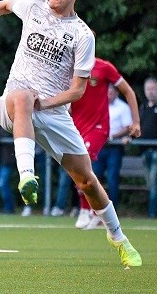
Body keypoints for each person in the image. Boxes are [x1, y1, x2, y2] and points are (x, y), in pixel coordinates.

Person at [0, 0, 142, 266]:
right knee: (21, 96)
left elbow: (77, 90)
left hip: (54, 113)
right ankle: (27, 177)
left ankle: (119, 238)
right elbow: (7, 5)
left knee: (87, 181)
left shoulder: (82, 35)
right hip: (15, 104)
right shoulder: (33, 7)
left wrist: (43, 103)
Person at [52, 59, 141, 228]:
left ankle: (85, 209)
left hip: (98, 127)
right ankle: (95, 212)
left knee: (81, 165)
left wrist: (136, 122)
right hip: (76, 128)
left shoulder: (104, 67)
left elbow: (128, 91)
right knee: (79, 170)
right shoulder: (68, 68)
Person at [92, 83, 138, 209]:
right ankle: (95, 207)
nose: (109, 95)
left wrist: (112, 136)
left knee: (112, 178)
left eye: (111, 92)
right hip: (100, 146)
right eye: (107, 92)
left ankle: (113, 208)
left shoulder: (123, 107)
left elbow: (128, 126)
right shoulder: (100, 105)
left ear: (116, 93)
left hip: (115, 147)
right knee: (95, 177)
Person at [139, 77, 157, 218]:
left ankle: (153, 213)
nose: (151, 92)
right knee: (150, 184)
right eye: (148, 89)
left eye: (153, 89)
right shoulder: (143, 108)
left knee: (154, 183)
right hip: (144, 150)